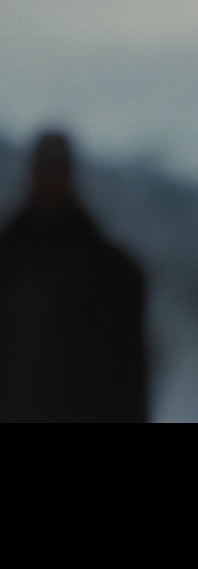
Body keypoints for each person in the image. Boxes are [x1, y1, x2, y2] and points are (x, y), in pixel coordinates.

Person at [0, 131, 149, 422]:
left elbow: (129, 377)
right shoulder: (8, 263)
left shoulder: (115, 275)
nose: (51, 181)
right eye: (46, 169)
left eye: (56, 169)